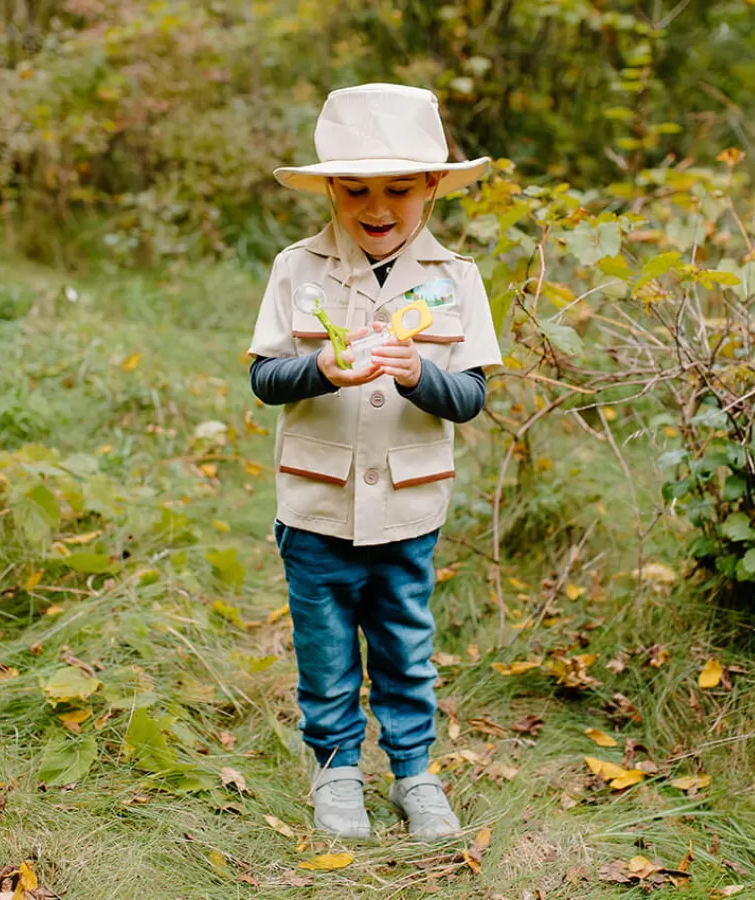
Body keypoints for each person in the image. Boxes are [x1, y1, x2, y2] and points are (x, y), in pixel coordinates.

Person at [248, 83, 502, 840]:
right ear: (331, 188)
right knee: (324, 649)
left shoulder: (457, 278)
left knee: (405, 644)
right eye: (355, 189)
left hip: (407, 504)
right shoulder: (297, 268)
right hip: (317, 502)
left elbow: (471, 396)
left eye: (398, 188)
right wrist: (320, 370)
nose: (376, 206)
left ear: (431, 187)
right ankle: (336, 772)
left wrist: (419, 374)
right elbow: (264, 379)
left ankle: (414, 774)